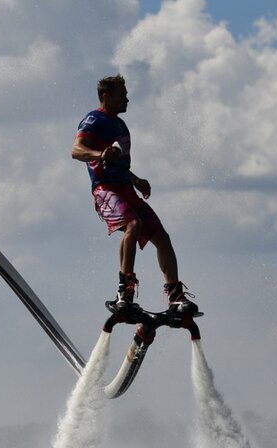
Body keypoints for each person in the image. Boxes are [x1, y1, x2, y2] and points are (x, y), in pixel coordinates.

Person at [71, 74, 197, 314]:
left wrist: (136, 179)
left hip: (125, 188)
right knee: (133, 224)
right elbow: (76, 150)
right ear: (106, 96)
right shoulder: (93, 119)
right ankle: (124, 291)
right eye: (122, 95)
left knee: (162, 237)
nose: (127, 99)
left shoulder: (120, 125)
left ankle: (175, 296)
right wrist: (100, 154)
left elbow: (117, 163)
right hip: (105, 189)